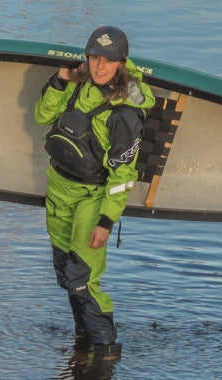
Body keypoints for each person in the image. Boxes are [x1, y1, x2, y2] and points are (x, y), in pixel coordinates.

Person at [34, 26, 155, 359]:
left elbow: (123, 174)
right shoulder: (77, 84)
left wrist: (106, 221)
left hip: (93, 198)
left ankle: (106, 351)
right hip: (58, 189)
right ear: (87, 58)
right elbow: (42, 114)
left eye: (109, 60)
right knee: (64, 272)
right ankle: (83, 341)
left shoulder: (125, 111)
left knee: (81, 277)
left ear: (121, 64)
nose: (101, 67)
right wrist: (61, 79)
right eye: (95, 58)